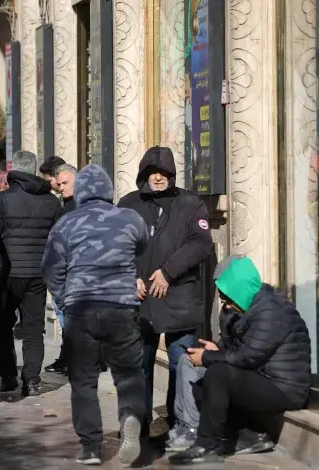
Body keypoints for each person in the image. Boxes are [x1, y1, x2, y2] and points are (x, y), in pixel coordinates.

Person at [41, 163, 149, 466]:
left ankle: (90, 447)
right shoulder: (131, 219)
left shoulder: (65, 224)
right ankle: (130, 417)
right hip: (121, 308)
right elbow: (142, 247)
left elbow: (50, 269)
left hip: (81, 310)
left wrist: (65, 299)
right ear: (109, 190)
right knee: (128, 375)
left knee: (84, 380)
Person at [169, 256, 311, 464]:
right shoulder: (253, 307)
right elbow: (243, 350)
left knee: (218, 375)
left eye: (228, 298)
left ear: (240, 290)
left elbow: (247, 356)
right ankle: (250, 436)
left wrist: (208, 357)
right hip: (265, 378)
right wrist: (217, 350)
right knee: (203, 385)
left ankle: (207, 445)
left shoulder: (271, 311)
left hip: (285, 389)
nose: (226, 305)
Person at [117, 146, 213, 432]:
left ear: (171, 175)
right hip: (139, 298)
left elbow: (201, 244)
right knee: (139, 365)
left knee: (180, 365)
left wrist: (168, 272)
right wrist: (129, 276)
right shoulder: (128, 204)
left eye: (163, 173)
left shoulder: (190, 203)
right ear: (144, 174)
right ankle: (138, 422)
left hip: (179, 296)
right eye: (152, 173)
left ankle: (179, 422)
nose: (158, 178)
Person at [0, 150, 64, 397]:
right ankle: (32, 380)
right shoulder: (52, 202)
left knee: (2, 326)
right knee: (34, 329)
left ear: (14, 168)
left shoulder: (2, 200)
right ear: (33, 170)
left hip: (9, 275)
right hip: (37, 274)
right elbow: (57, 239)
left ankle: (9, 376)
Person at [43, 162, 79, 375]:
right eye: (59, 184)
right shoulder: (65, 204)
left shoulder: (81, 205)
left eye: (65, 183)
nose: (61, 187)